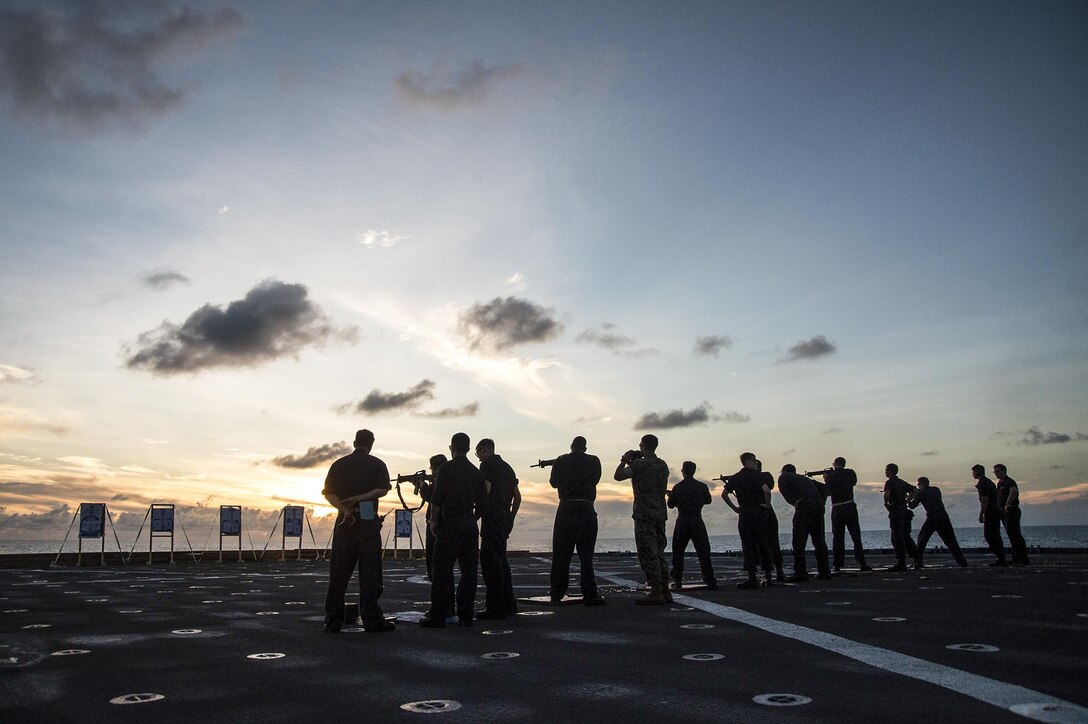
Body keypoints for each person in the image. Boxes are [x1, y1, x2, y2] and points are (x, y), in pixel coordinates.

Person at [321, 429, 394, 633]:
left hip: (345, 520)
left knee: (338, 572)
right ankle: (371, 618)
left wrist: (344, 509)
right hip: (368, 517)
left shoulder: (338, 464)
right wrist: (360, 498)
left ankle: (333, 619)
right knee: (370, 572)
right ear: (371, 444)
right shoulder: (378, 464)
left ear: (354, 443)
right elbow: (383, 489)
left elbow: (329, 493)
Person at [420, 432, 487, 628]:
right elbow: (483, 504)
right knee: (469, 571)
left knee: (441, 569)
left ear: (452, 447)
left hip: (450, 522)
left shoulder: (446, 470)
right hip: (469, 522)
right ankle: (466, 614)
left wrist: (433, 520)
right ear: (468, 448)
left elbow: (437, 498)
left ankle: (438, 613)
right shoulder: (476, 472)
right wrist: (471, 518)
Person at [614, 434, 672, 605]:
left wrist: (625, 460)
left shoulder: (639, 464)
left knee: (648, 552)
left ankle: (655, 590)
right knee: (660, 551)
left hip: (643, 512)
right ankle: (665, 589)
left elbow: (618, 476)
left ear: (644, 446)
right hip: (660, 512)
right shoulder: (662, 464)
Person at [549, 436, 606, 605]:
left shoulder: (561, 460)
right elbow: (595, 479)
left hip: (566, 509)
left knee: (560, 555)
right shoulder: (594, 461)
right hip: (586, 508)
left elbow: (553, 483)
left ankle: (556, 592)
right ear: (585, 448)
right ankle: (589, 593)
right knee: (586, 556)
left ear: (571, 446)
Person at [475, 438, 522, 619]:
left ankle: (495, 606)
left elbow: (485, 491)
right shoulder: (508, 468)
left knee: (490, 562)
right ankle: (509, 603)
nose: (478, 457)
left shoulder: (487, 466)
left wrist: (476, 515)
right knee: (502, 561)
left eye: (479, 453)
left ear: (485, 450)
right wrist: (511, 517)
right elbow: (518, 497)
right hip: (504, 516)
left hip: (492, 516)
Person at [721, 452, 774, 589]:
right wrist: (766, 505)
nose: (756, 463)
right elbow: (767, 491)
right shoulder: (758, 476)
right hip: (759, 511)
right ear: (749, 461)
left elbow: (724, 494)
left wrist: (734, 508)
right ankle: (768, 575)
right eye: (754, 461)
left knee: (748, 545)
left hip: (744, 512)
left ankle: (752, 577)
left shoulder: (736, 477)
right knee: (763, 543)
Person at [666, 461, 717, 590]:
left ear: (683, 471)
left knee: (678, 551)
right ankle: (710, 579)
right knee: (703, 551)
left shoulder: (678, 487)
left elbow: (670, 505)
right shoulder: (702, 486)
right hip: (697, 519)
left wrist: (671, 496)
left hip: (683, 519)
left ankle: (677, 578)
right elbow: (708, 501)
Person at [776, 464, 831, 582]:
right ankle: (824, 571)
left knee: (798, 542)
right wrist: (822, 501)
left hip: (805, 507)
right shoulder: (805, 479)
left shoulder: (784, 477)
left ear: (784, 471)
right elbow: (824, 488)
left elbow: (784, 490)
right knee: (819, 540)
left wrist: (793, 501)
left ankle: (800, 573)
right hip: (818, 507)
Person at [824, 457, 872, 573]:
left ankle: (837, 565)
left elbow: (828, 492)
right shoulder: (850, 473)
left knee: (838, 538)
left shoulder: (831, 477)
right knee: (856, 537)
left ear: (835, 464)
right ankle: (862, 563)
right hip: (850, 506)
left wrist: (826, 479)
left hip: (837, 508)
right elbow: (854, 482)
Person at [908, 477, 968, 567]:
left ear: (922, 484)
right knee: (951, 541)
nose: (918, 486)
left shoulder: (921, 493)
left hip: (932, 518)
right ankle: (962, 561)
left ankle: (918, 561)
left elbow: (912, 506)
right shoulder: (936, 490)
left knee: (922, 539)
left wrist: (910, 498)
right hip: (943, 517)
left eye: (918, 484)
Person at [883, 463, 920, 572]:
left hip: (895, 510)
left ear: (889, 471)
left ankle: (901, 562)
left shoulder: (890, 482)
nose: (885, 472)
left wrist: (886, 503)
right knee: (905, 536)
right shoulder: (902, 482)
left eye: (886, 470)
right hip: (903, 510)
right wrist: (907, 501)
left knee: (896, 537)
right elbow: (915, 491)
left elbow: (887, 494)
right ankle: (916, 558)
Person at [756, 459, 786, 582]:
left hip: (761, 510)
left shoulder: (762, 477)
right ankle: (778, 571)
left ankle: (770, 573)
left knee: (764, 544)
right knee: (773, 543)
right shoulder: (766, 476)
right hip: (768, 511)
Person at [994, 464, 1030, 565]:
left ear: (1003, 471)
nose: (996, 474)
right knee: (1011, 535)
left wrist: (1007, 504)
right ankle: (1016, 558)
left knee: (1015, 535)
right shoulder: (1000, 484)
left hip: (1011, 511)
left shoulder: (1009, 481)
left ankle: (1022, 558)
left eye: (997, 471)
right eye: (995, 472)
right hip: (1003, 512)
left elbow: (1013, 491)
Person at [972, 464, 1007, 566]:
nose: (973, 474)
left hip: (991, 512)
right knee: (994, 534)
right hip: (994, 511)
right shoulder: (987, 482)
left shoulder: (983, 483)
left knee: (990, 535)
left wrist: (981, 514)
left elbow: (984, 500)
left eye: (974, 472)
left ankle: (1001, 557)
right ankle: (1001, 557)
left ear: (978, 472)